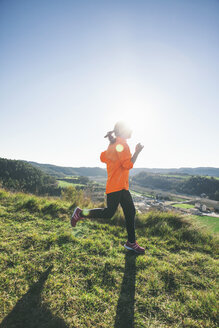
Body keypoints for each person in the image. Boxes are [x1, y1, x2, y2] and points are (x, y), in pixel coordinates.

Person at [71, 121, 145, 254]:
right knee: (109, 213)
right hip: (117, 186)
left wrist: (112, 141)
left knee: (130, 212)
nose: (131, 130)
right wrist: (137, 152)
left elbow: (103, 157)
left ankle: (131, 243)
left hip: (120, 186)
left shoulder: (115, 145)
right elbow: (127, 165)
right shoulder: (122, 144)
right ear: (122, 131)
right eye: (129, 128)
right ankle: (80, 213)